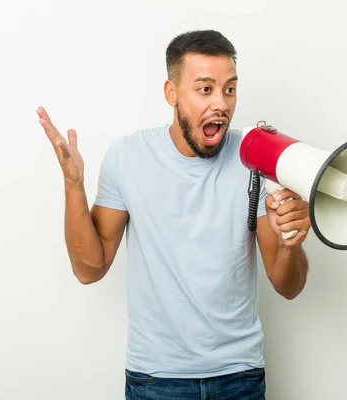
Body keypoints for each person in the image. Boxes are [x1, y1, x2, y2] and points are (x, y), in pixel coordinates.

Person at [37, 29, 311, 400]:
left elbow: (288, 286)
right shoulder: (128, 157)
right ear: (171, 93)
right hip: (156, 380)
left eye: (230, 89)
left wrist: (291, 243)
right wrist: (74, 184)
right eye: (205, 89)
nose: (222, 104)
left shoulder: (254, 158)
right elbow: (90, 269)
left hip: (240, 376)